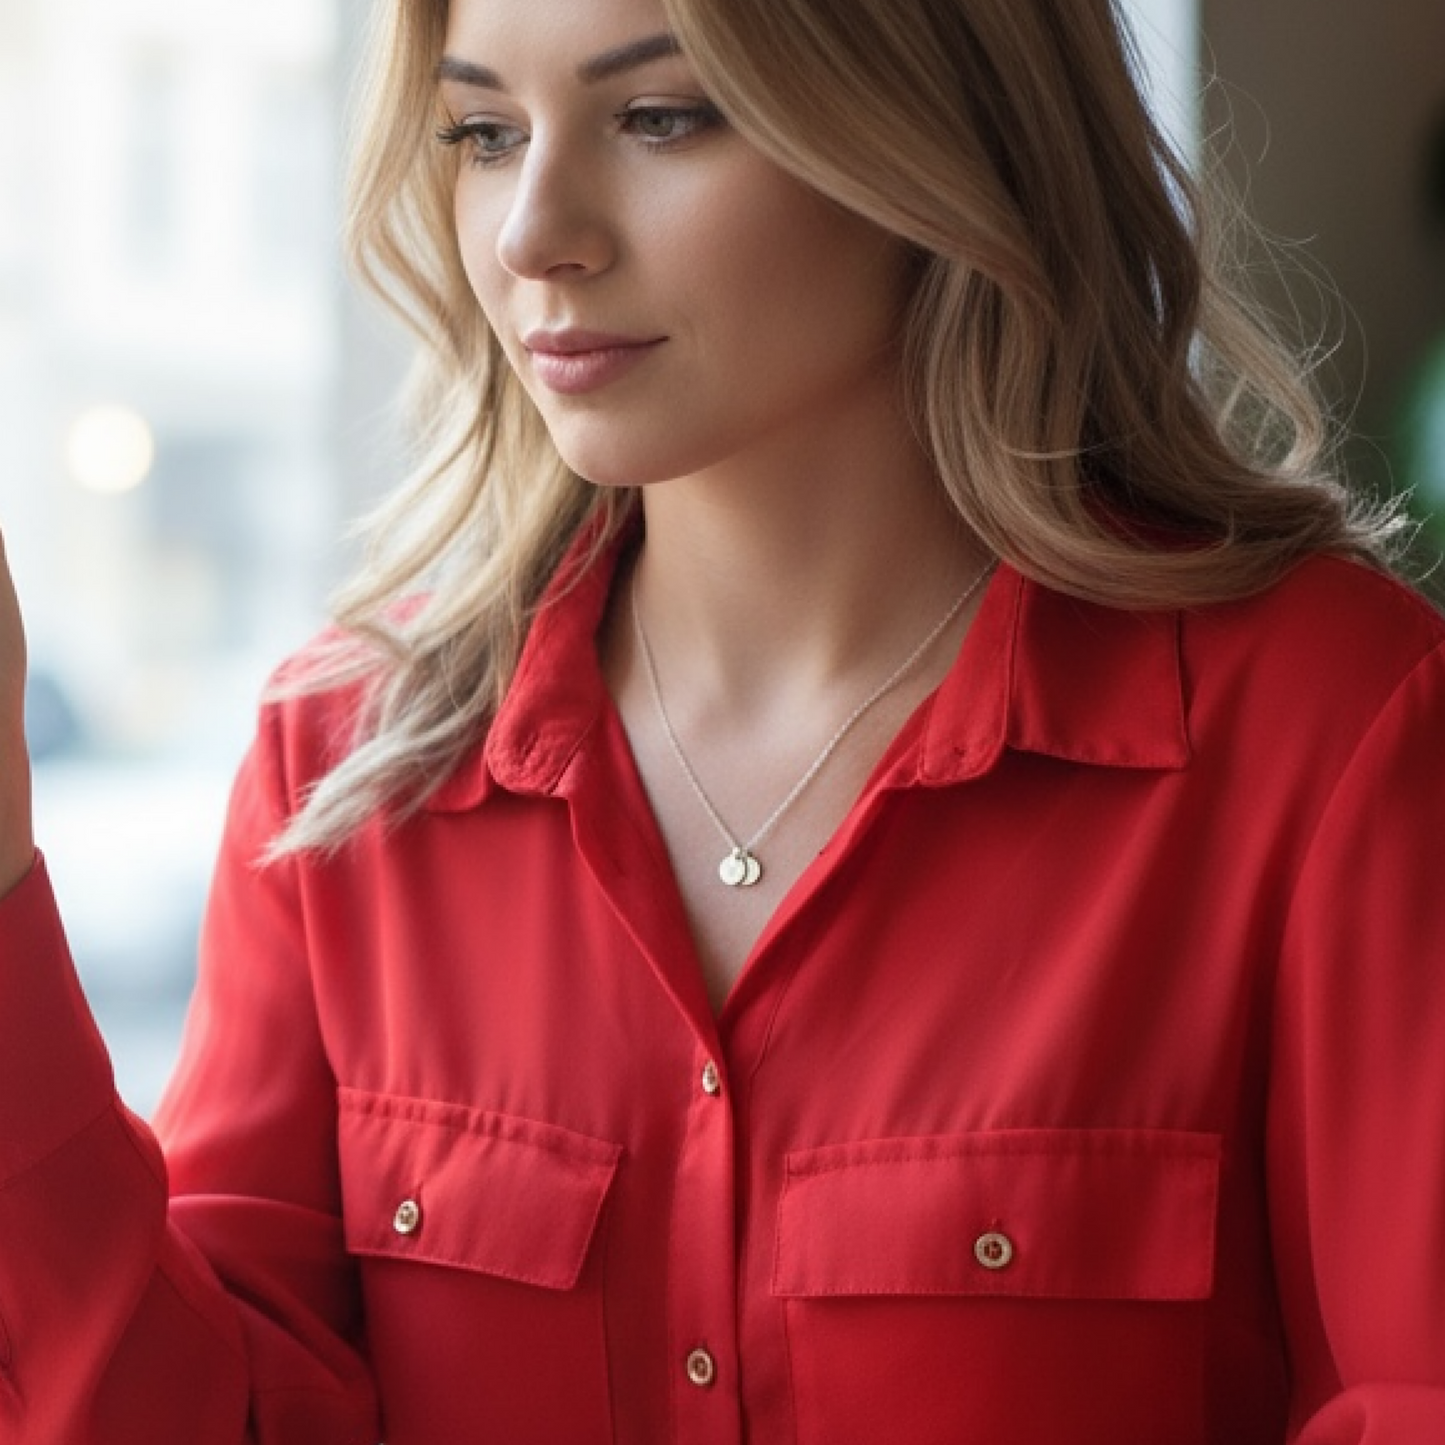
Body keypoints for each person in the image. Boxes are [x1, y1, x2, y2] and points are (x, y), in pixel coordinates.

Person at [2, 0, 1444, 1440]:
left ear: (942, 131)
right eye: (485, 134)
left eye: (659, 118)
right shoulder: (342, 773)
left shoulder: (1329, 730)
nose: (533, 235)